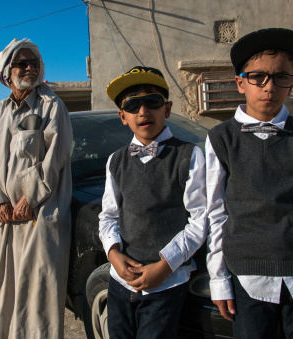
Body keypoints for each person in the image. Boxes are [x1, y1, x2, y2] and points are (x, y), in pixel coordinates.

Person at [206, 28, 293, 338]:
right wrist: (218, 280)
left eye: (281, 77)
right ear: (240, 82)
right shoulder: (221, 139)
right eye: (258, 77)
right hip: (247, 278)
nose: (269, 87)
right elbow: (215, 213)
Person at [99, 66, 208, 338]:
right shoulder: (116, 161)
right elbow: (109, 216)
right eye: (133, 104)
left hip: (166, 283)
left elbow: (200, 221)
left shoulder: (189, 156)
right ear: (122, 116)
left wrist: (164, 266)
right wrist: (114, 256)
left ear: (167, 109)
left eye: (153, 102)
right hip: (120, 282)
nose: (143, 111)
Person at [0, 38, 73, 339]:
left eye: (34, 62)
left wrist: (28, 198)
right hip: (9, 218)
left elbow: (55, 157)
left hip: (42, 214)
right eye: (23, 63)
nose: (30, 67)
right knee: (11, 290)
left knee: (40, 294)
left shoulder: (52, 106)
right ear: (8, 71)